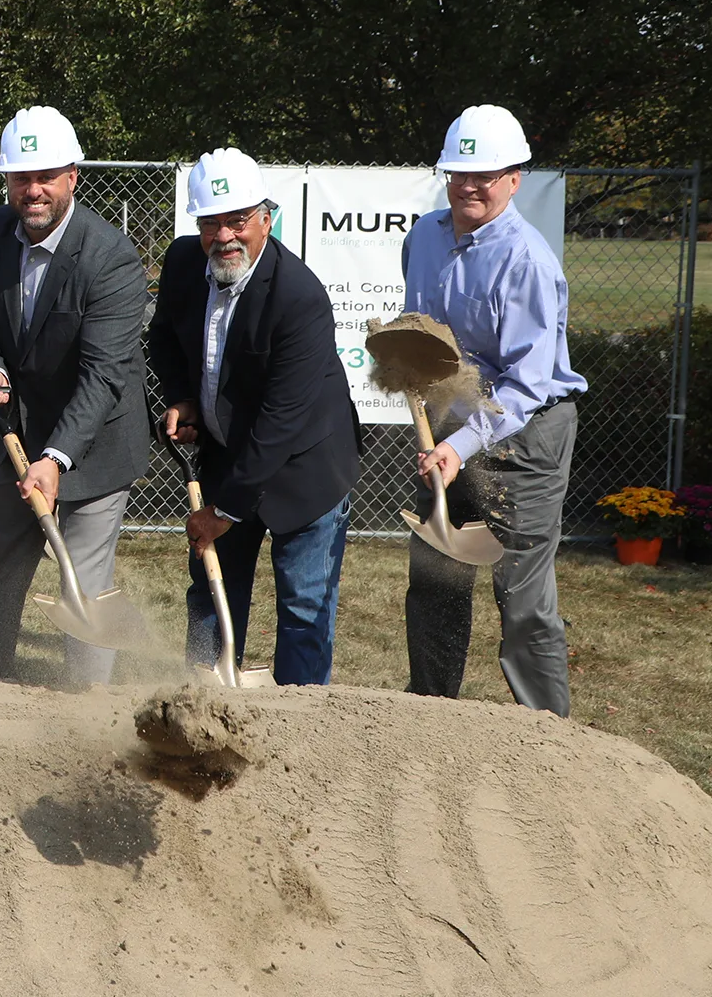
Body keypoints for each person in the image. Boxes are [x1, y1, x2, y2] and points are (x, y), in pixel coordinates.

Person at [0, 105, 150, 687]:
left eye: (46, 177)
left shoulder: (109, 257)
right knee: (2, 568)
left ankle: (88, 711)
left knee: (82, 580)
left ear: (73, 178)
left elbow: (104, 375)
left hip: (95, 443)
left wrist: (56, 458)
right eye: (20, 177)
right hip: (18, 430)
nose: (32, 190)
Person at [399, 104, 587, 715]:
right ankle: (431, 714)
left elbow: (527, 384)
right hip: (451, 422)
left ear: (515, 179)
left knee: (522, 599)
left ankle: (549, 741)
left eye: (487, 174)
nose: (470, 186)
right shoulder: (422, 238)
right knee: (434, 578)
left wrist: (459, 445)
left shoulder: (526, 261)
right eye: (459, 173)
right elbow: (425, 334)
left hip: (526, 435)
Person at [146, 148, 360, 685]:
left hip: (305, 466)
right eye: (211, 222)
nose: (225, 236)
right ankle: (199, 713)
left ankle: (298, 734)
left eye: (238, 219)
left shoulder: (298, 298)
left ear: (267, 218)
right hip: (230, 454)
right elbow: (165, 338)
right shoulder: (182, 264)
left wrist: (225, 510)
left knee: (305, 607)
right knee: (212, 595)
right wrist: (182, 398)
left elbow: (282, 420)